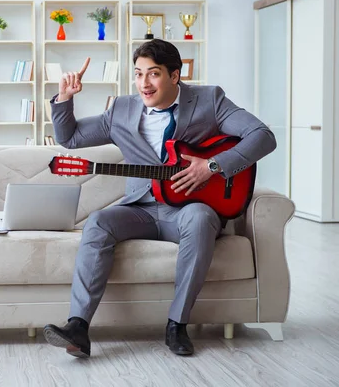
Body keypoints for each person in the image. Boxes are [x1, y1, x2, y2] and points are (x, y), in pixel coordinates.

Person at [42, 39, 276, 358]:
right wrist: (65, 99)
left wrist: (212, 166)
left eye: (153, 74)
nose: (144, 84)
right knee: (98, 222)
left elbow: (263, 136)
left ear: (175, 75)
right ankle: (78, 327)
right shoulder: (121, 109)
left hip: (188, 209)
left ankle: (177, 324)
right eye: (138, 74)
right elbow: (69, 139)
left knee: (201, 218)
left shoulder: (210, 100)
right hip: (139, 210)